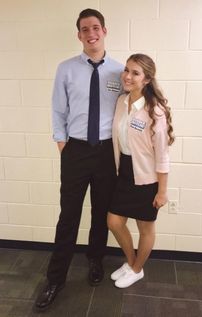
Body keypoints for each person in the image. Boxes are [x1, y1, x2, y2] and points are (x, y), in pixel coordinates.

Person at [34, 8, 123, 311]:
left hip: (107, 152)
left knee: (101, 212)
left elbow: (129, 109)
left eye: (95, 27)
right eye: (85, 29)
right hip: (76, 150)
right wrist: (62, 143)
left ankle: (95, 260)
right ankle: (55, 278)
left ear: (104, 31)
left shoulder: (120, 70)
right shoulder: (66, 69)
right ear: (79, 35)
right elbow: (58, 108)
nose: (91, 33)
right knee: (69, 214)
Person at [107, 53, 174, 288]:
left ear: (146, 79)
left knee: (145, 228)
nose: (127, 76)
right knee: (114, 222)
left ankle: (136, 269)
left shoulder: (155, 110)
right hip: (124, 172)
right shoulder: (121, 102)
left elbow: (162, 154)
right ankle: (133, 263)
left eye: (135, 73)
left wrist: (162, 191)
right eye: (127, 70)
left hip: (146, 178)